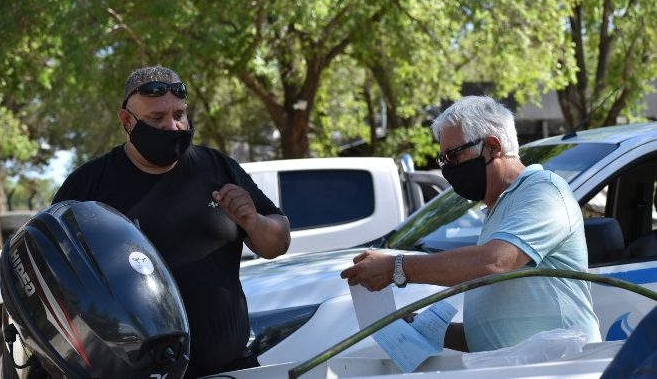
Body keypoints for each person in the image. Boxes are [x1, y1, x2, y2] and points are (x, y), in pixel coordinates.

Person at [52, 65, 291, 377]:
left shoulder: (218, 168)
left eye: (179, 114)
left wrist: (253, 220)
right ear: (127, 121)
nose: (173, 126)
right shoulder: (90, 185)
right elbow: (54, 268)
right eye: (157, 118)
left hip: (227, 367)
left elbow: (279, 242)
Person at [340, 95, 600, 352]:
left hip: (563, 366)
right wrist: (421, 327)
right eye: (442, 160)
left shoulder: (544, 190)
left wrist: (396, 267)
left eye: (453, 157)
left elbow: (495, 262)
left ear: (493, 146)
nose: (446, 169)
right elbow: (491, 334)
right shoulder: (498, 211)